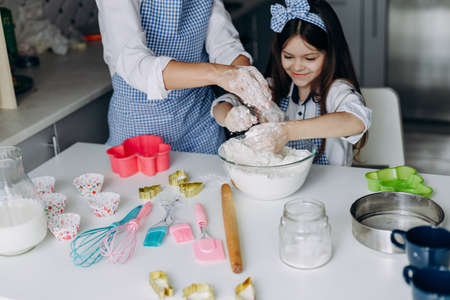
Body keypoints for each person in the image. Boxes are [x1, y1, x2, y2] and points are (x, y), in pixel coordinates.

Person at [95, 0, 272, 154]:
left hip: (200, 125)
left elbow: (225, 46)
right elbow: (135, 65)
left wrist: (247, 81)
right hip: (140, 129)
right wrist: (218, 74)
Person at [212, 0, 372, 166]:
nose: (297, 67)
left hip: (331, 186)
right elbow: (221, 106)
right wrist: (231, 116)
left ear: (330, 54)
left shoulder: (337, 91)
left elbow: (356, 121)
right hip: (282, 184)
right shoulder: (272, 88)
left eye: (310, 58)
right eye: (288, 57)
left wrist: (286, 132)